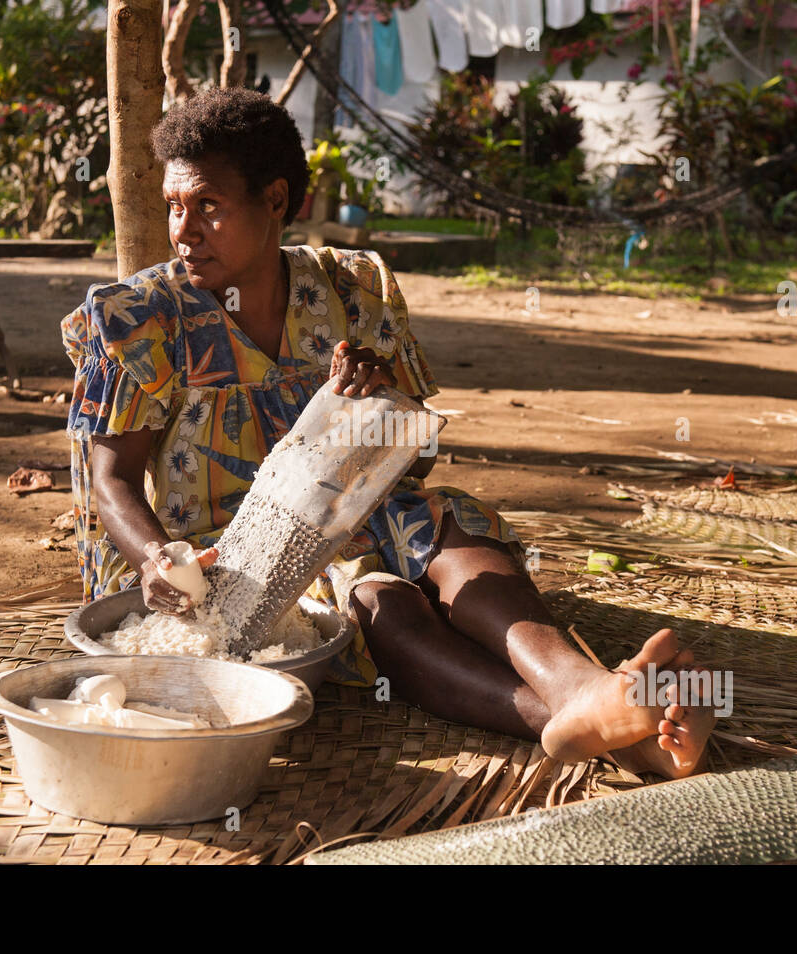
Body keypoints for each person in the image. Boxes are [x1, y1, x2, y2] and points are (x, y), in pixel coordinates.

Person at [61, 87, 715, 777]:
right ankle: (607, 727)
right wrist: (160, 558)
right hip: (222, 559)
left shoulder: (349, 292)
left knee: (449, 530)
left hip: (354, 514)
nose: (183, 230)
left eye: (208, 207)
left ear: (276, 200)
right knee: (378, 599)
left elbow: (417, 462)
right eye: (173, 206)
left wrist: (379, 402)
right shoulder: (142, 318)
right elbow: (111, 482)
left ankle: (582, 690)